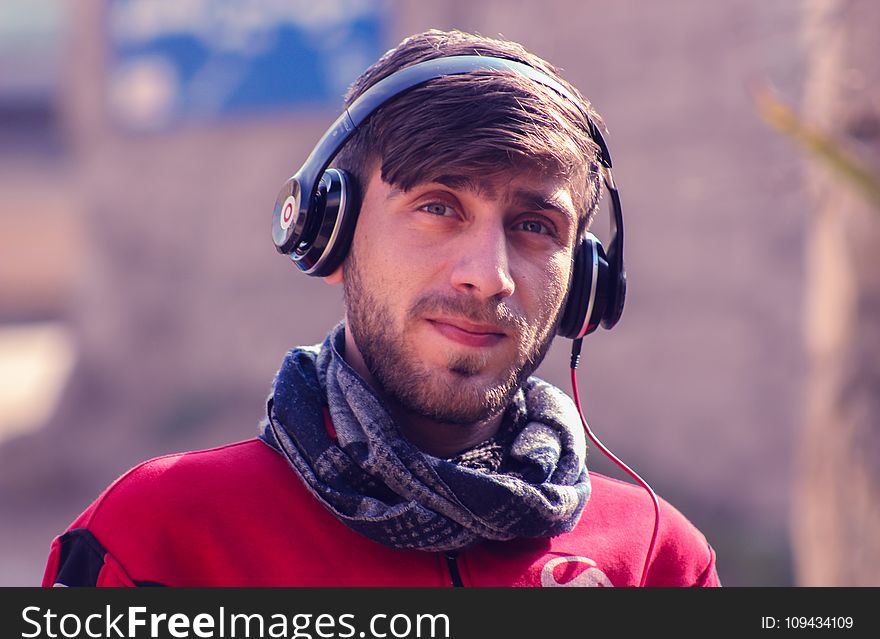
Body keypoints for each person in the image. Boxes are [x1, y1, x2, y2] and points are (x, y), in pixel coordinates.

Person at [43, 29, 719, 587]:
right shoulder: (161, 537)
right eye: (437, 207)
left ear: (584, 286)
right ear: (329, 233)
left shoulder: (659, 561)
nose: (489, 276)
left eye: (535, 225)